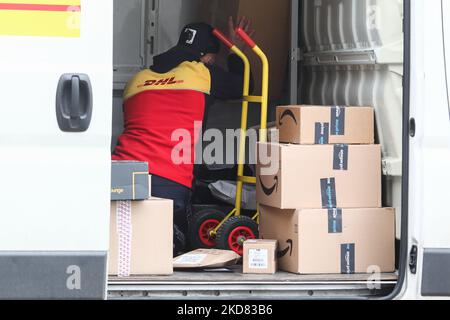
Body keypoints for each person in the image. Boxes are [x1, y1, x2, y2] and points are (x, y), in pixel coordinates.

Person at [113, 17, 255, 256]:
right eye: (213, 58)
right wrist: (235, 51)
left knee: (123, 242)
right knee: (167, 251)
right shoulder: (202, 74)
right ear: (207, 57)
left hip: (120, 173)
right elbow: (245, 86)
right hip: (168, 181)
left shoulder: (136, 80)